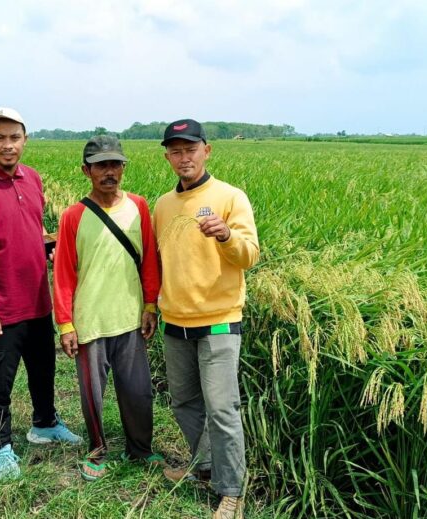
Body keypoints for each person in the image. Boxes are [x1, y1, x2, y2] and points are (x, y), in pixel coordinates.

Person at [0, 107, 80, 481]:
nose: (7, 145)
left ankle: (44, 423)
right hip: (1, 305)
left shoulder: (33, 179)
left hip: (37, 299)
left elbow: (29, 229)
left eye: (14, 137)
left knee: (43, 368)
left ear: (25, 140)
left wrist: (48, 246)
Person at [153, 119, 259, 519]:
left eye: (191, 149)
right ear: (168, 157)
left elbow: (250, 255)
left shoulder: (230, 197)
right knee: (183, 402)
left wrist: (226, 237)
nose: (184, 157)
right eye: (176, 151)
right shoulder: (164, 205)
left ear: (206, 151)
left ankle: (232, 491)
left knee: (222, 409)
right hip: (175, 321)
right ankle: (204, 468)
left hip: (219, 321)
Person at [52, 135, 163, 481]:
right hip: (91, 321)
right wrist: (66, 324)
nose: (109, 172)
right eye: (101, 166)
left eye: (115, 164)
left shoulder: (139, 207)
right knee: (92, 395)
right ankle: (97, 450)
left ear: (123, 167)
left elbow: (149, 262)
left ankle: (140, 449)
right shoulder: (73, 216)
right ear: (87, 171)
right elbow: (64, 273)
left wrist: (150, 304)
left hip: (130, 318)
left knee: (138, 390)